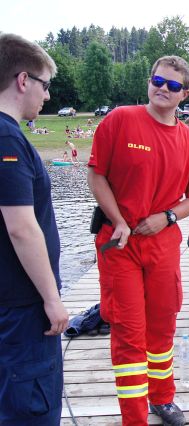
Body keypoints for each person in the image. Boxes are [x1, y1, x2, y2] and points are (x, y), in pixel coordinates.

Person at [87, 55, 189, 426]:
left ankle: (162, 398)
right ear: (149, 81)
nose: (164, 88)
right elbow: (96, 176)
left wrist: (168, 216)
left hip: (162, 244)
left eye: (173, 86)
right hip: (119, 243)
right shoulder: (120, 120)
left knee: (162, 326)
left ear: (184, 94)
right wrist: (117, 220)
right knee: (129, 332)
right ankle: (134, 417)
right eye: (158, 81)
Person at [0, 32, 69, 425]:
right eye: (45, 86)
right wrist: (51, 298)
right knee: (31, 409)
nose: (46, 96)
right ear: (23, 80)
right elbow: (22, 228)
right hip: (23, 308)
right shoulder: (7, 137)